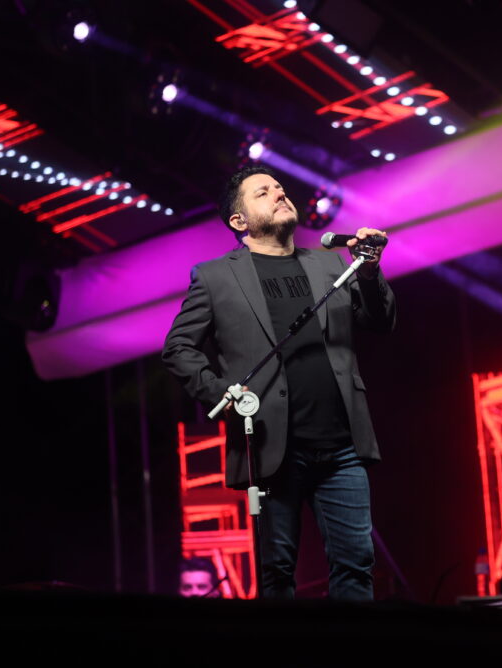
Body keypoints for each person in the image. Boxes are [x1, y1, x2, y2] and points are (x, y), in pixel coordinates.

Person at [162, 166, 396, 600]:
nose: (279, 194)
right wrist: (220, 393)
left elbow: (378, 321)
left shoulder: (329, 262)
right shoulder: (215, 277)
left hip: (343, 444)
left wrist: (367, 270)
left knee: (355, 567)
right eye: (263, 192)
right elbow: (178, 348)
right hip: (272, 447)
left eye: (280, 187)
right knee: (277, 573)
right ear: (239, 221)